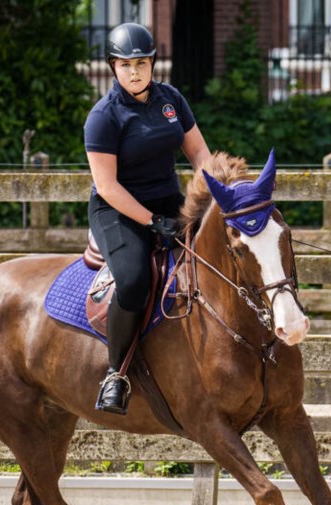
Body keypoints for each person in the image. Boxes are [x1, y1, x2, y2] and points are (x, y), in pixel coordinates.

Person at [84, 22, 210, 414]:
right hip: (117, 209)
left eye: (141, 63)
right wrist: (152, 221)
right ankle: (116, 374)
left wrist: (219, 195)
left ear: (153, 63)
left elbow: (199, 155)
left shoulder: (171, 99)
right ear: (113, 67)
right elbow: (107, 186)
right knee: (135, 279)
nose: (135, 71)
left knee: (217, 252)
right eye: (125, 64)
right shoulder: (103, 116)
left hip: (168, 200)